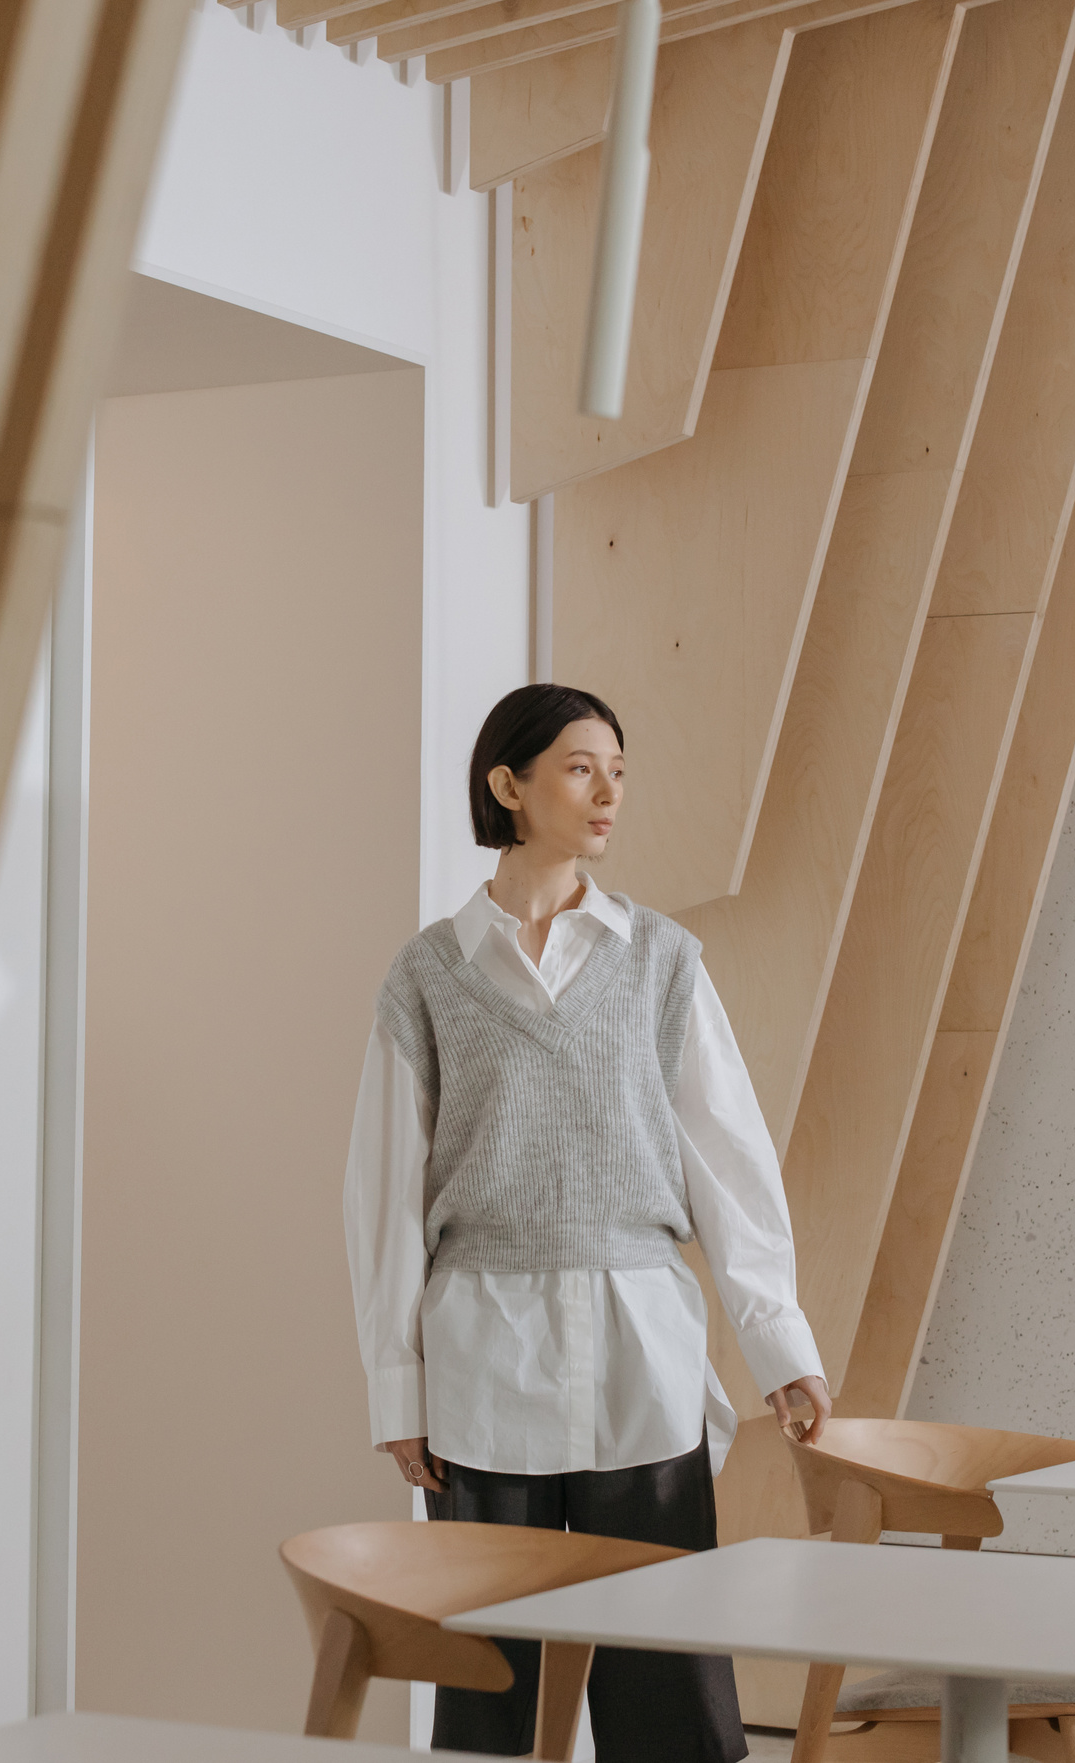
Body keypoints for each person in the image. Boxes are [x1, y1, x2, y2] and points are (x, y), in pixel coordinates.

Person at [343, 683, 830, 1762]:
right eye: (579, 766)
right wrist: (395, 1384)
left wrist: (776, 1342)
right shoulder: (426, 975)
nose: (609, 790)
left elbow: (729, 1162)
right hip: (482, 1362)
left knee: (670, 1681)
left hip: (638, 1356)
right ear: (507, 785)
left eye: (618, 768)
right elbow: (382, 1193)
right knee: (487, 1681)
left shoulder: (661, 963)